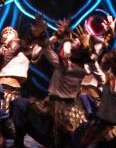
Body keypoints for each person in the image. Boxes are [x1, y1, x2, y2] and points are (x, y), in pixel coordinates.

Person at [13, 19, 97, 148]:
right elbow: (83, 56)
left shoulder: (67, 66)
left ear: (81, 50)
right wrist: (64, 35)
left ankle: (19, 143)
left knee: (20, 105)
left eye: (77, 41)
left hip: (59, 107)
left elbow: (48, 49)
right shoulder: (82, 67)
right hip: (65, 105)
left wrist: (43, 34)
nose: (74, 40)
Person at [73, 51, 116, 147]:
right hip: (106, 125)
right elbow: (98, 72)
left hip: (107, 129)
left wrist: (90, 57)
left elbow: (99, 73)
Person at [0, 24, 41, 139]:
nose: (7, 32)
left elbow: (42, 48)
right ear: (1, 38)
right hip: (1, 89)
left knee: (16, 125)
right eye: (5, 32)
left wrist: (42, 36)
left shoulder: (25, 51)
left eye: (10, 32)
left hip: (16, 92)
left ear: (17, 36)